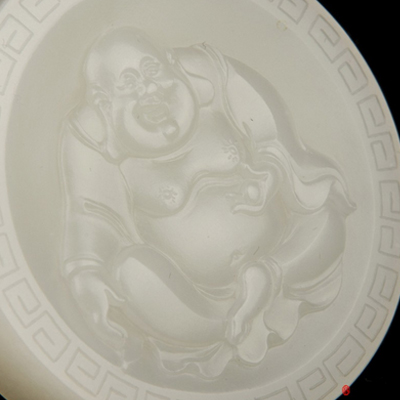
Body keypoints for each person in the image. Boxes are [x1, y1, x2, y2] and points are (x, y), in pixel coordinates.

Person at [59, 27, 355, 378]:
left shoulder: (212, 72)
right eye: (129, 84)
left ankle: (269, 274)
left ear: (172, 63)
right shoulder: (92, 136)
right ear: (105, 104)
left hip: (285, 248)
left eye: (152, 71)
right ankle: (226, 322)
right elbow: (93, 215)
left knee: (323, 211)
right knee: (130, 272)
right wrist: (87, 272)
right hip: (202, 297)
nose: (149, 90)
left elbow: (273, 134)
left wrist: (271, 174)